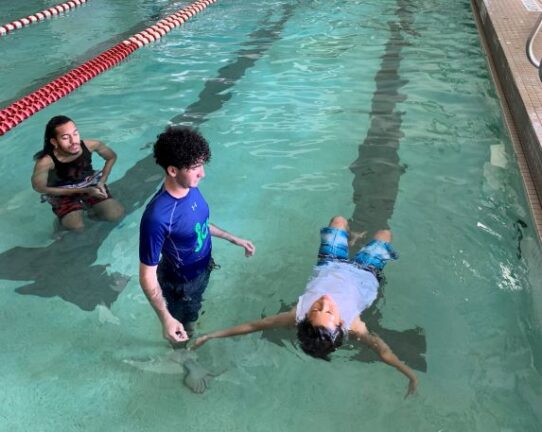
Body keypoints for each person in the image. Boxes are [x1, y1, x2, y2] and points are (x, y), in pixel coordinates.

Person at [192, 215, 418, 397]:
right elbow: (383, 351)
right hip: (365, 272)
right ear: (340, 323)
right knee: (384, 234)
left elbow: (255, 325)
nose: (324, 302)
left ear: (305, 317)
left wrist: (212, 335)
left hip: (330, 263)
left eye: (316, 309)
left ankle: (351, 238)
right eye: (328, 311)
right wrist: (409, 374)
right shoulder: (355, 325)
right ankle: (357, 241)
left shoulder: (297, 315)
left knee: (338, 220)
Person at [139, 126, 256, 345]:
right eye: (195, 167)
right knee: (182, 328)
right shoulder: (157, 217)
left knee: (193, 313)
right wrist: (165, 318)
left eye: (201, 164)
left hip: (201, 270)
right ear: (173, 170)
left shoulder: (190, 188)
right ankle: (185, 360)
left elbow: (198, 225)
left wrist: (234, 239)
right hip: (180, 284)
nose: (203, 173)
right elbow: (147, 275)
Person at [31, 115, 124, 231]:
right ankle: (62, 222)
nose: (73, 141)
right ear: (54, 142)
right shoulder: (46, 162)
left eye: (75, 134)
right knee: (76, 227)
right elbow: (40, 188)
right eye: (65, 138)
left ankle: (90, 210)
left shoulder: (91, 145)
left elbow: (111, 157)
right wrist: (83, 191)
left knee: (115, 214)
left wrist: (102, 181)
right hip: (60, 191)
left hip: (89, 184)